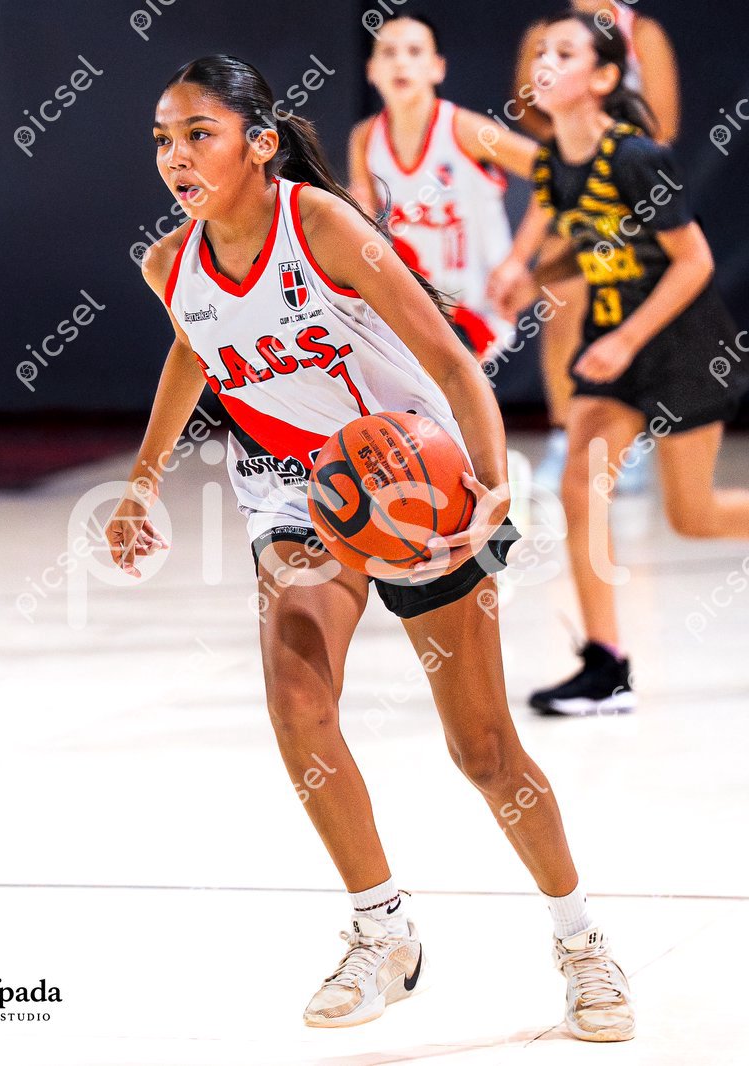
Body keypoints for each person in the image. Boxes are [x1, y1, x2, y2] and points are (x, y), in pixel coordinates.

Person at [106, 53, 635, 1040]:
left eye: (197, 135)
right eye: (162, 140)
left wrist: (491, 485)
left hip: (418, 481)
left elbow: (450, 359)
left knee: (483, 749)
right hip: (294, 491)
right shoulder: (168, 262)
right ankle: (382, 930)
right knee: (297, 701)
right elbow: (191, 345)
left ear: (259, 144)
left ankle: (581, 942)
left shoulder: (321, 226)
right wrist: (141, 481)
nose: (175, 157)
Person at [489, 11, 749, 715]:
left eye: (564, 53)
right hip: (611, 343)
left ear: (604, 77)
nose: (544, 63)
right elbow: (592, 245)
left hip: (681, 346)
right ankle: (605, 665)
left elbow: (693, 262)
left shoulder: (635, 158)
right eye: (541, 51)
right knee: (580, 485)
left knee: (695, 516)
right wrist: (530, 275)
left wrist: (628, 340)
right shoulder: (554, 163)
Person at [513, 0, 681, 492]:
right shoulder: (544, 30)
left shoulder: (643, 32)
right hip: (570, 186)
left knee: (630, 313)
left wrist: (607, 148)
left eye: (566, 55)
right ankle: (565, 436)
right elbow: (527, 106)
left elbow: (663, 123)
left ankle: (630, 440)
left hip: (628, 195)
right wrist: (572, 141)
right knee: (561, 311)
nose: (550, 60)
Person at [348, 14, 537, 360]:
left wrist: (518, 260)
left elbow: (554, 172)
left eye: (414, 51)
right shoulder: (364, 137)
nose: (401, 62)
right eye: (388, 52)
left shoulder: (464, 130)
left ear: (437, 68)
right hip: (416, 309)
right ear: (371, 70)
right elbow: (369, 224)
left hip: (478, 307)